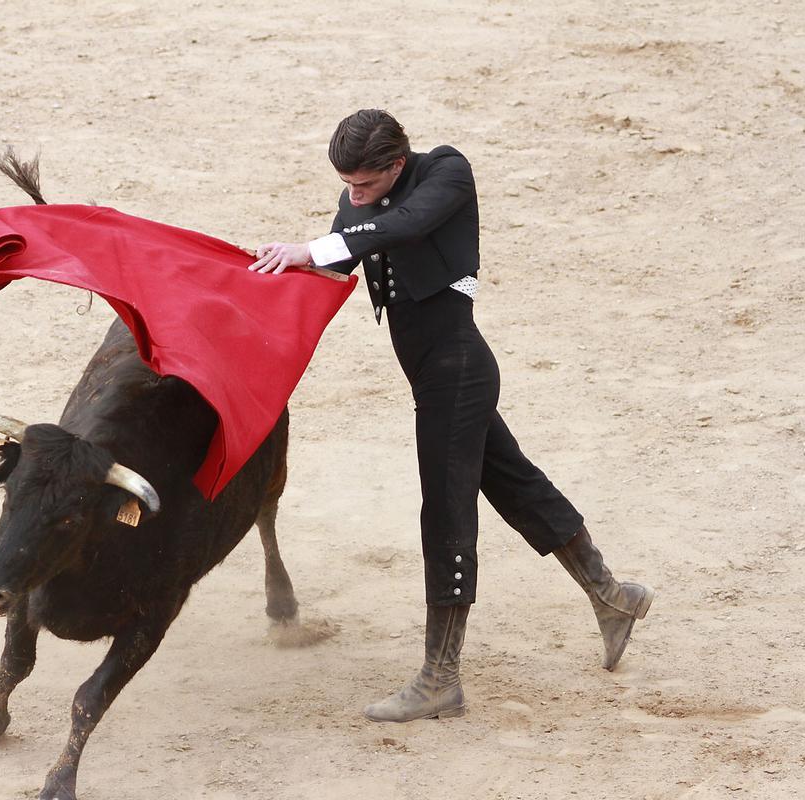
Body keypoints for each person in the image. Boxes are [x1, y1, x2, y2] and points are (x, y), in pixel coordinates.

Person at [249, 109, 653, 723]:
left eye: (364, 183)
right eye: (346, 184)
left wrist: (314, 246)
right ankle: (613, 596)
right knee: (517, 484)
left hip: (458, 371)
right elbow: (330, 271)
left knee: (445, 510)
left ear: (397, 164)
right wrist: (257, 274)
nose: (353, 196)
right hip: (437, 379)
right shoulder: (361, 202)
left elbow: (405, 225)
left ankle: (441, 677)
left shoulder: (446, 172)